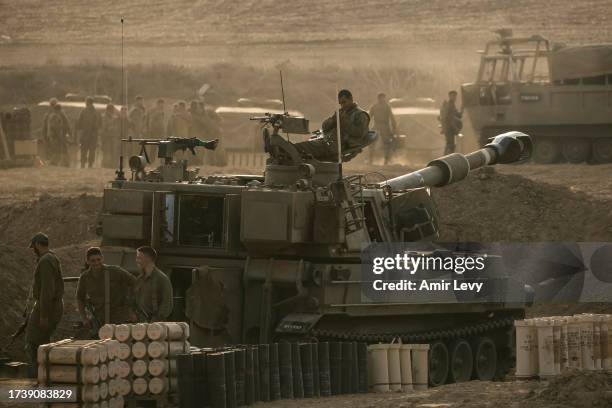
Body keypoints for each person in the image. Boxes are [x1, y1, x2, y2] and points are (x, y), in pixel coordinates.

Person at [25, 233, 64, 378]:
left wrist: (43, 315)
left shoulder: (46, 260)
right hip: (51, 305)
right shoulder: (50, 258)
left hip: (47, 307)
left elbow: (47, 290)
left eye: (33, 247)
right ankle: (44, 377)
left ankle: (38, 378)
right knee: (42, 342)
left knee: (33, 342)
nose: (33, 250)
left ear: (37, 245)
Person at [295, 89, 370, 162]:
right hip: (327, 141)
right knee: (298, 147)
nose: (342, 105)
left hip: (336, 146)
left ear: (351, 99)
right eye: (340, 103)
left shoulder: (360, 115)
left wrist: (344, 122)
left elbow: (359, 133)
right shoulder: (341, 112)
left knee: (299, 148)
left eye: (344, 102)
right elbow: (325, 127)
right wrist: (333, 120)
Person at [76, 247, 137, 333]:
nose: (96, 263)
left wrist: (131, 308)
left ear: (102, 258)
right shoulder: (85, 277)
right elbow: (80, 298)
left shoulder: (115, 271)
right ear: (87, 261)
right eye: (93, 261)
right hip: (99, 318)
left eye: (98, 259)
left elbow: (135, 283)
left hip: (120, 317)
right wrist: (84, 318)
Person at [133, 246, 173, 322]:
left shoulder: (162, 279)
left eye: (139, 258)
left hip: (156, 324)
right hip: (141, 322)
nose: (137, 260)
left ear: (148, 258)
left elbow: (167, 304)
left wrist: (156, 320)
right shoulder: (139, 279)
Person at [369, 93, 397, 165]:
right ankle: (370, 159)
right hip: (377, 125)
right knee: (372, 143)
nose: (383, 99)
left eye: (384, 98)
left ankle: (386, 160)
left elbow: (392, 118)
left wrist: (394, 128)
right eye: (382, 98)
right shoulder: (374, 106)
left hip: (385, 126)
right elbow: (369, 116)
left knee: (387, 143)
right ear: (379, 98)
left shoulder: (387, 107)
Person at [76, 96, 101, 168]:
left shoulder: (83, 111)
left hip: (85, 134)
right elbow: (100, 125)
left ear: (87, 102)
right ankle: (90, 164)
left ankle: (83, 164)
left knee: (84, 150)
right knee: (92, 150)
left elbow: (79, 124)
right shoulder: (97, 112)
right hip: (94, 135)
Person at [439, 90, 463, 154]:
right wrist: (446, 127)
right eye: (453, 96)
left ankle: (446, 158)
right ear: (449, 96)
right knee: (450, 145)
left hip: (451, 128)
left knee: (450, 144)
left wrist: (462, 109)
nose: (454, 98)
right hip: (449, 128)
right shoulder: (449, 105)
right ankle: (446, 158)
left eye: (455, 96)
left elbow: (458, 116)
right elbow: (446, 118)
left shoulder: (452, 105)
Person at [100, 104, 120, 168]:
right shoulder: (104, 117)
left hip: (112, 137)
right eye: (111, 110)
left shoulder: (113, 117)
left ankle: (112, 165)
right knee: (107, 152)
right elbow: (103, 127)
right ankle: (105, 165)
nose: (112, 112)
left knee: (112, 152)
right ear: (108, 110)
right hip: (106, 138)